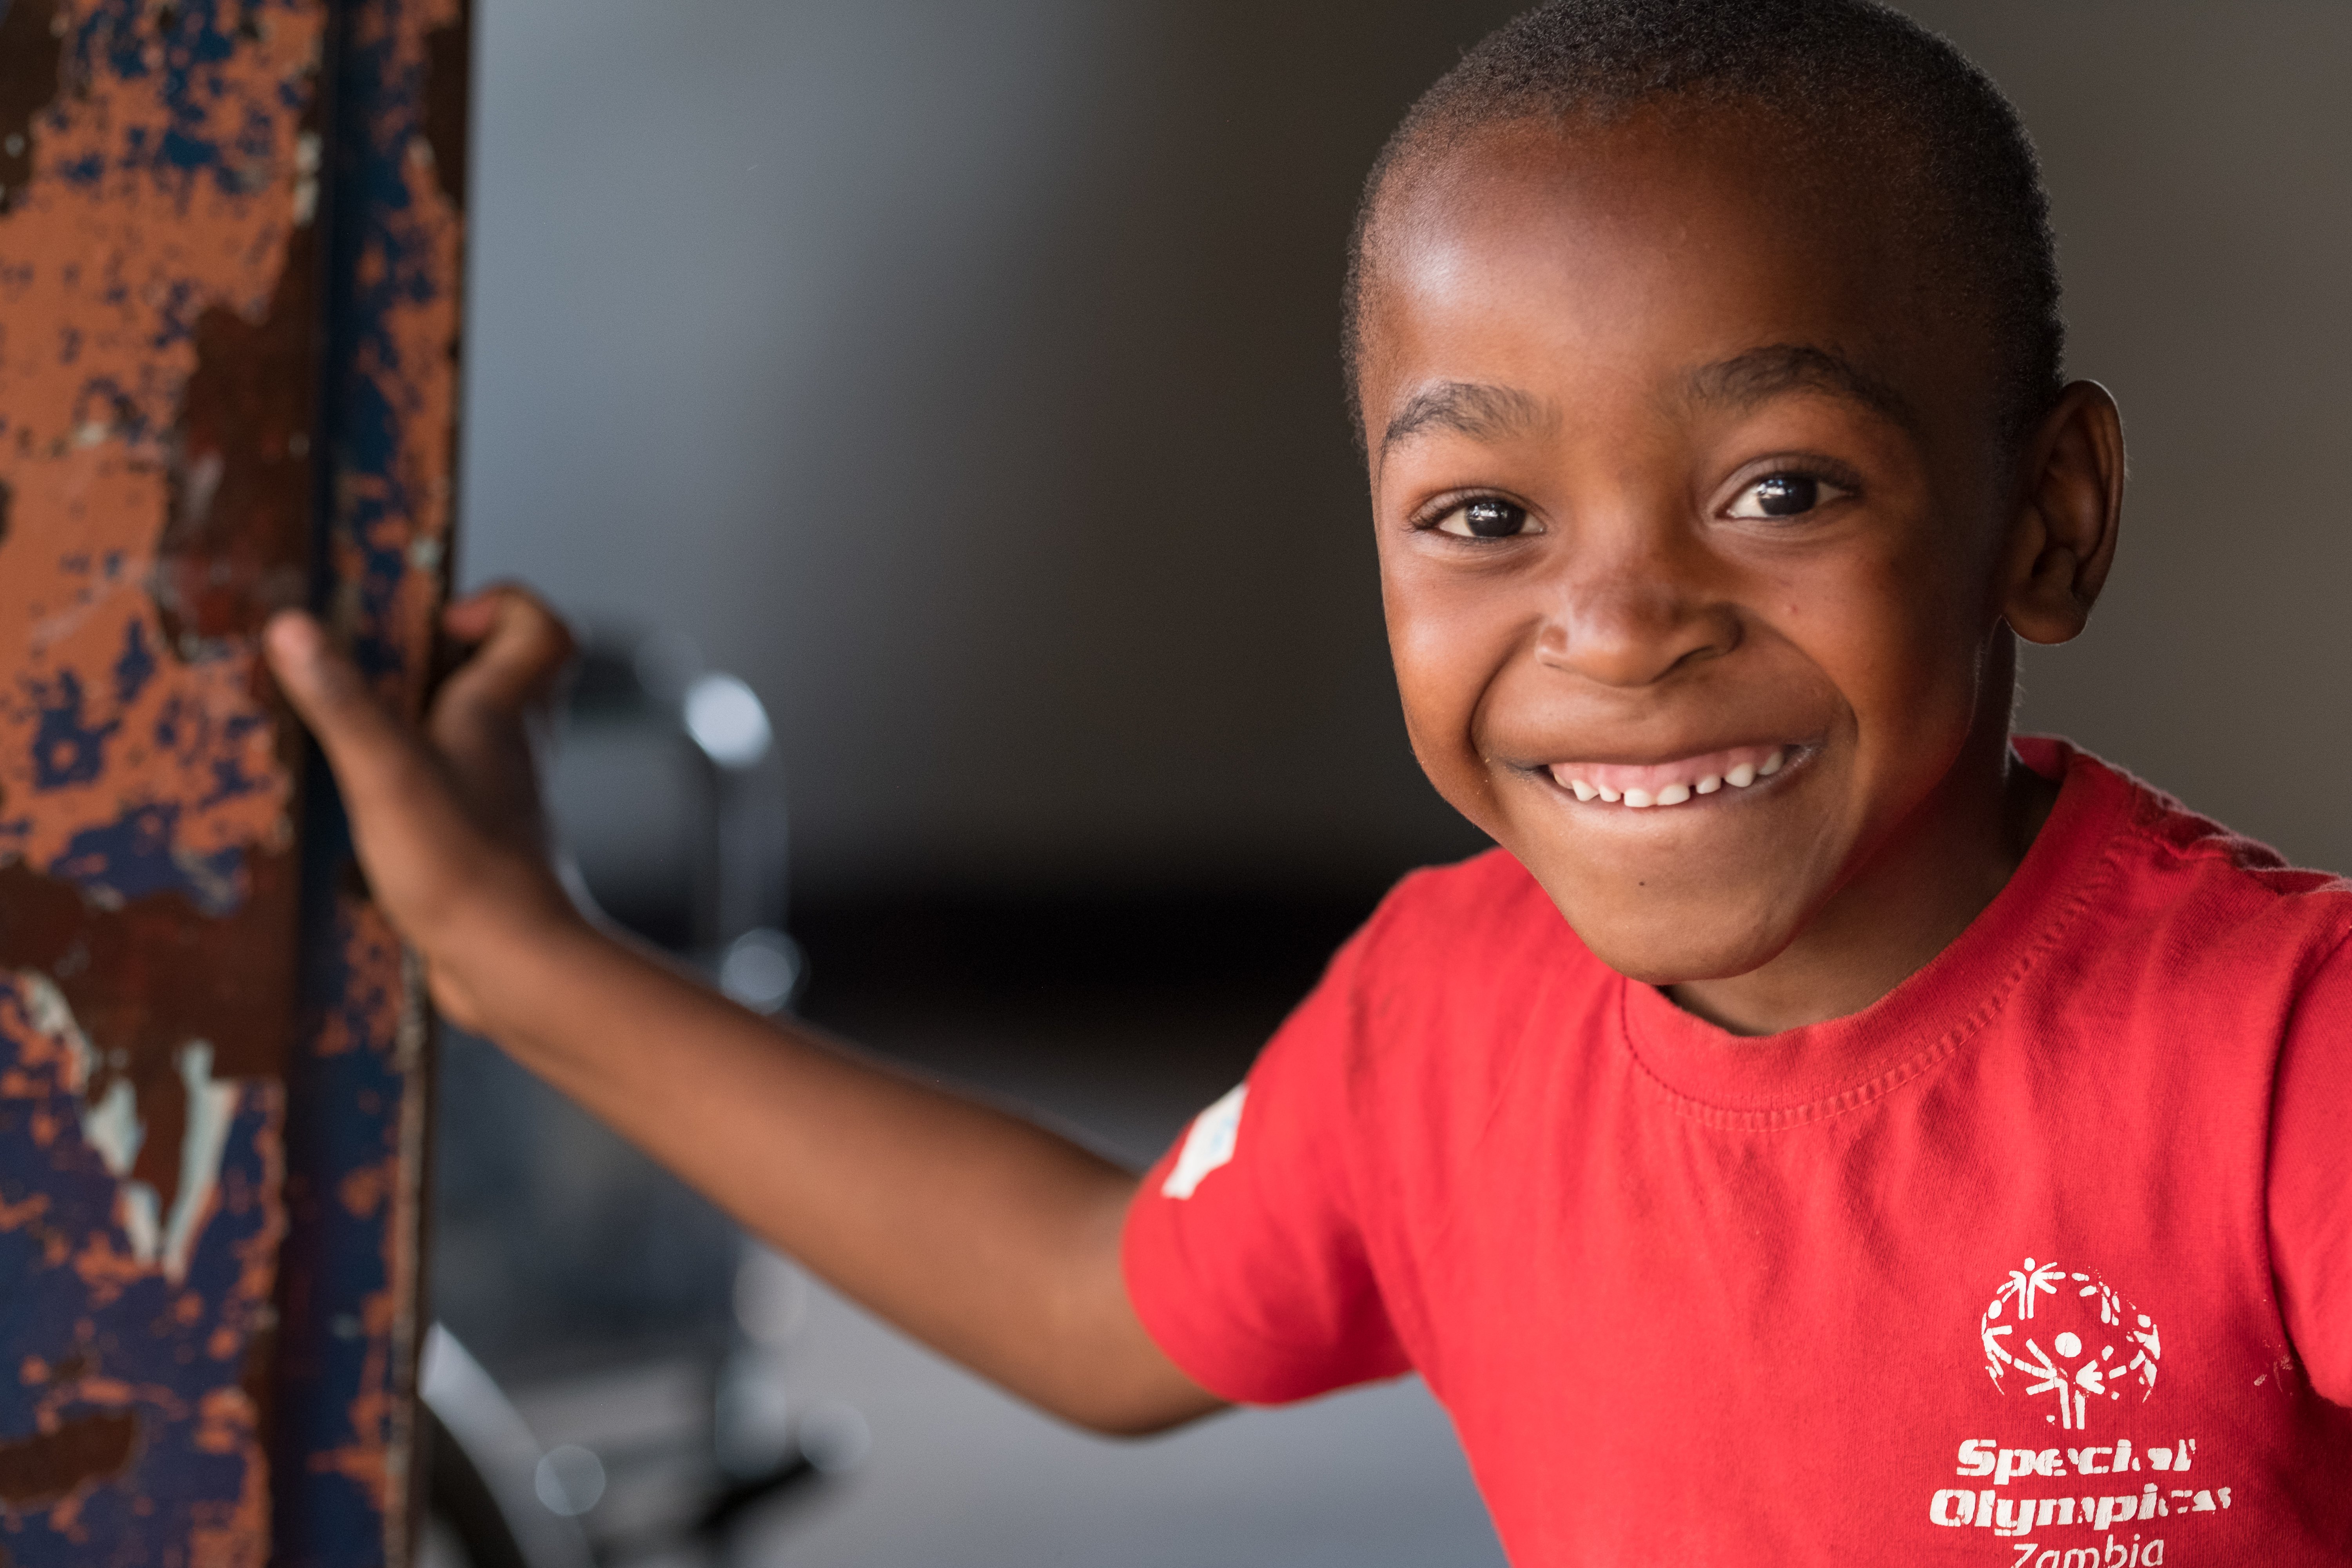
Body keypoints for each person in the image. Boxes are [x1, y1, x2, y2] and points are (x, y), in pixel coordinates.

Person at [263, 1, 2352, 1560]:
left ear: (2047, 521)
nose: (1618, 625)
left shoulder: (2286, 1059)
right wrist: (516, 957)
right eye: (1481, 517)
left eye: (1779, 488)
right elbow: (1096, 1305)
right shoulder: (1445, 1016)